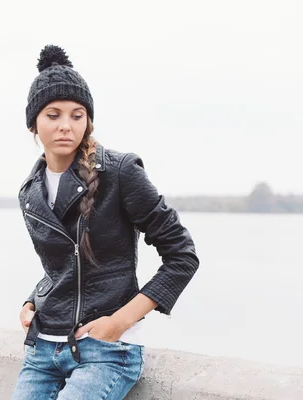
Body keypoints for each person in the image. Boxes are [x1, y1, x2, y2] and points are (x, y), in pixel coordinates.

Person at [11, 44, 200, 400]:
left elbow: (182, 256)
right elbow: (66, 265)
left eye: (77, 115)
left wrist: (119, 322)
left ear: (88, 120)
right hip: (42, 348)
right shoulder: (29, 191)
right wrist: (32, 299)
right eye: (53, 115)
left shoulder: (120, 172)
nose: (66, 125)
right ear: (33, 122)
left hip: (106, 351)